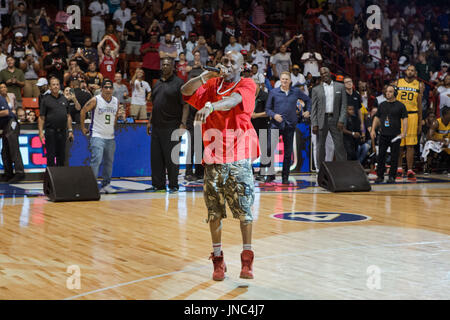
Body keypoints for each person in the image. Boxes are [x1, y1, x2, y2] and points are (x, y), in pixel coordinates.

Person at [181, 50, 259, 281]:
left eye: (232, 62)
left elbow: (233, 101)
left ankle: (247, 260)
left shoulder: (247, 83)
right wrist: (203, 77)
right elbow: (184, 92)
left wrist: (212, 106)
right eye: (224, 60)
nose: (226, 64)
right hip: (214, 155)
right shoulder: (212, 83)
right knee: (214, 212)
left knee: (244, 210)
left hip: (239, 155)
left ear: (240, 67)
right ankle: (218, 260)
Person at [146, 57, 187, 193]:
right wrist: (150, 121)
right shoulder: (157, 83)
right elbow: (155, 104)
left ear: (173, 67)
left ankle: (174, 185)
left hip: (172, 126)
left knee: (172, 158)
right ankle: (158, 185)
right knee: (156, 157)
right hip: (157, 126)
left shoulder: (179, 83)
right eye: (163, 64)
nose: (165, 66)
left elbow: (185, 106)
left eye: (167, 64)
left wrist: (183, 124)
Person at [265, 71, 311, 184]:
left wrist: (308, 111)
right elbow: (267, 109)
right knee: (269, 149)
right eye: (282, 79)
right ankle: (270, 175)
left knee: (288, 152)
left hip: (290, 126)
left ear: (290, 81)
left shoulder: (296, 92)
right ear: (279, 80)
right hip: (275, 125)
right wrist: (274, 115)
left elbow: (308, 100)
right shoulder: (273, 92)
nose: (284, 81)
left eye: (286, 79)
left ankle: (285, 177)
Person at [80, 79, 119, 194]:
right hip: (97, 135)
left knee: (109, 162)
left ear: (112, 89)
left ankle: (106, 185)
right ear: (101, 89)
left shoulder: (116, 101)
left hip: (110, 137)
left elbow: (115, 115)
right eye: (105, 87)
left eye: (110, 87)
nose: (108, 90)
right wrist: (83, 127)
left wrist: (113, 126)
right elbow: (83, 111)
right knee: (96, 160)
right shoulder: (95, 100)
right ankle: (91, 185)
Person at [311, 67, 347, 168]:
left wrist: (341, 120)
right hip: (322, 120)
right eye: (322, 74)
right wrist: (315, 123)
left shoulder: (340, 87)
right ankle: (320, 169)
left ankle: (342, 168)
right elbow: (313, 108)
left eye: (325, 72)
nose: (324, 75)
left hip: (336, 120)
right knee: (320, 146)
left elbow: (344, 105)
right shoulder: (316, 89)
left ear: (330, 73)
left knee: (339, 145)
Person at [370, 85, 408, 183]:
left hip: (395, 135)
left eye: (390, 91)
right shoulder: (382, 105)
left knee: (395, 156)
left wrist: (404, 132)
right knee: (381, 156)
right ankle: (380, 176)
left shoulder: (400, 105)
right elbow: (377, 118)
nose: (388, 93)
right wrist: (373, 129)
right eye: (387, 91)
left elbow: (405, 119)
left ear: (395, 93)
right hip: (383, 134)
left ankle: (392, 176)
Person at [395, 65, 424, 181]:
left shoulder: (419, 84)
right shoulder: (399, 82)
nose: (410, 72)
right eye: (409, 70)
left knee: (410, 145)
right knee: (399, 145)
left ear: (415, 73)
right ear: (405, 71)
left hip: (413, 115)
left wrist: (420, 122)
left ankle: (410, 171)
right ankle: (399, 169)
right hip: (399, 116)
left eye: (412, 70)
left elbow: (420, 104)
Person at [38, 77, 74, 167]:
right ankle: (51, 179)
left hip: (62, 131)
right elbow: (41, 117)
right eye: (53, 84)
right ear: (49, 87)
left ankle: (60, 178)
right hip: (50, 132)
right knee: (50, 156)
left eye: (57, 84)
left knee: (61, 156)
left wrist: (70, 130)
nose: (55, 86)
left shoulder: (64, 99)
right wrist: (40, 132)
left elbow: (68, 116)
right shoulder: (45, 100)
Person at [0, 82, 24, 183]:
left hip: (11, 123)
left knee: (13, 148)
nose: (3, 89)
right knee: (5, 151)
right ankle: (8, 173)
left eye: (4, 87)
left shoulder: (1, 98)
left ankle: (19, 173)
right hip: (4, 126)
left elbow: (5, 112)